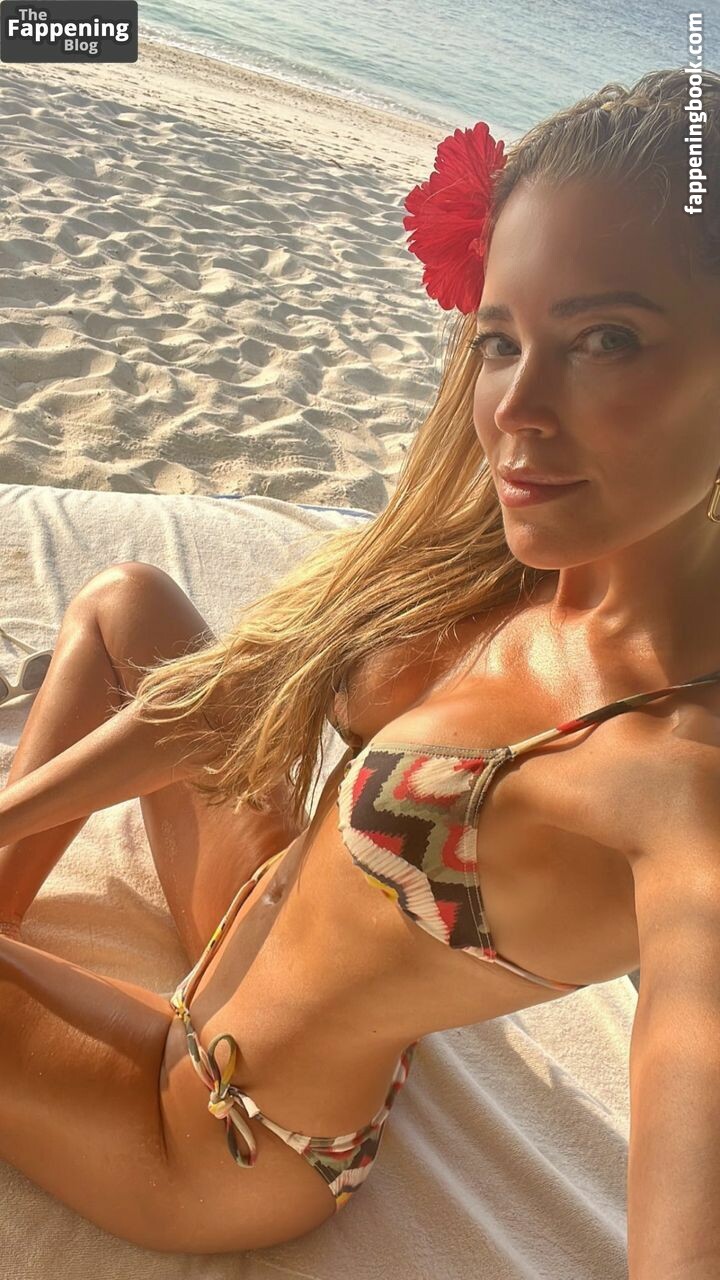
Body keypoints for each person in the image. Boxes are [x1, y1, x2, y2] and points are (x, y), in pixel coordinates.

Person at [0, 66, 718, 1273]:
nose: (518, 407)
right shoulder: (531, 573)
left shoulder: (681, 797)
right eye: (500, 341)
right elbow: (237, 700)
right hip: (246, 922)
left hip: (221, 1132)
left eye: (608, 339)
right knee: (130, 604)